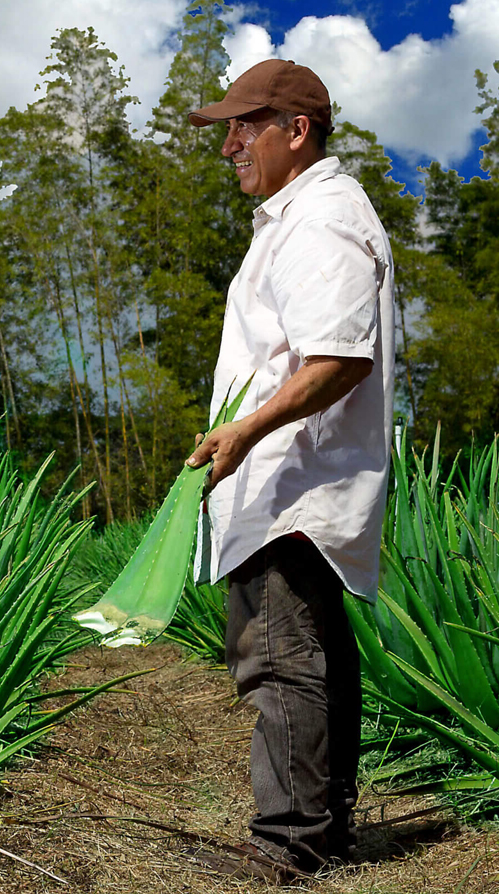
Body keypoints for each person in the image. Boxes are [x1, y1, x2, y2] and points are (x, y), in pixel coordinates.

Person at [185, 59, 394, 881]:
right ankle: (322, 831)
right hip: (285, 482)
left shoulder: (321, 217)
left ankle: (292, 846)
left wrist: (243, 431)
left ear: (295, 130)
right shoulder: (294, 218)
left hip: (290, 485)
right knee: (307, 654)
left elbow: (340, 360)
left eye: (243, 126)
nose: (228, 144)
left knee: (279, 658)